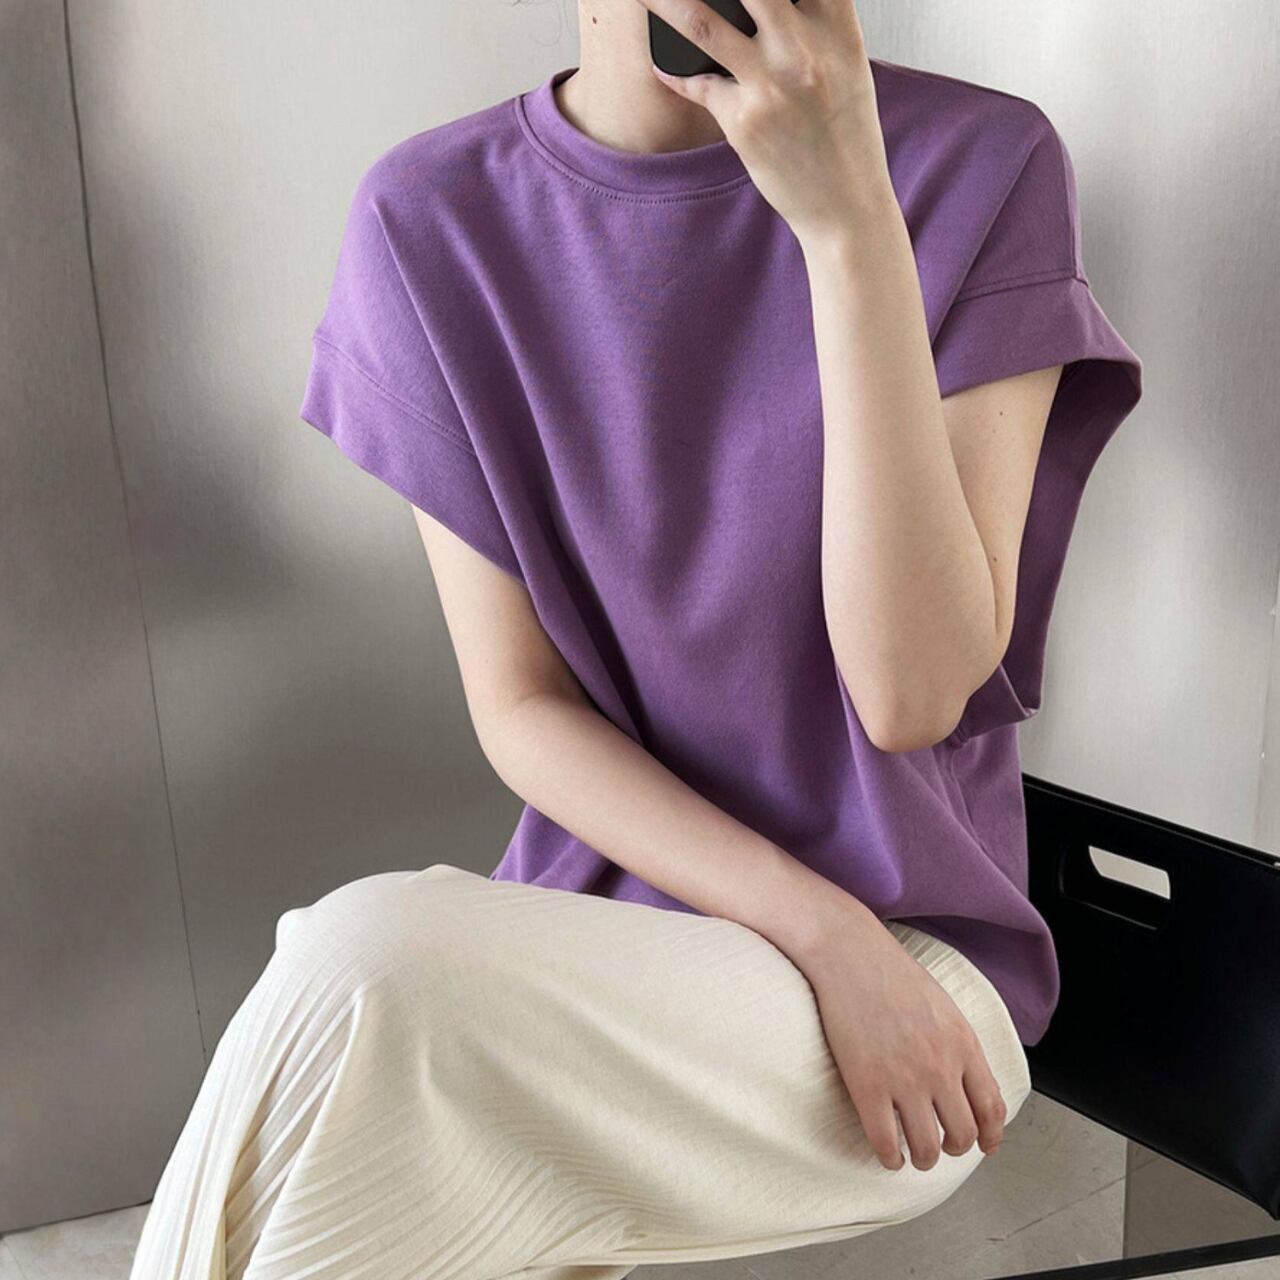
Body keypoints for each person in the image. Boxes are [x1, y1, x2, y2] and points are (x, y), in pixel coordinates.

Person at [129, 0, 1143, 1276]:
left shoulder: (976, 163)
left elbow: (910, 692)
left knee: (357, 976)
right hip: (610, 941)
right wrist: (817, 929)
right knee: (355, 1027)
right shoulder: (429, 220)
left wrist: (847, 224)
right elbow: (523, 706)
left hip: (916, 983)